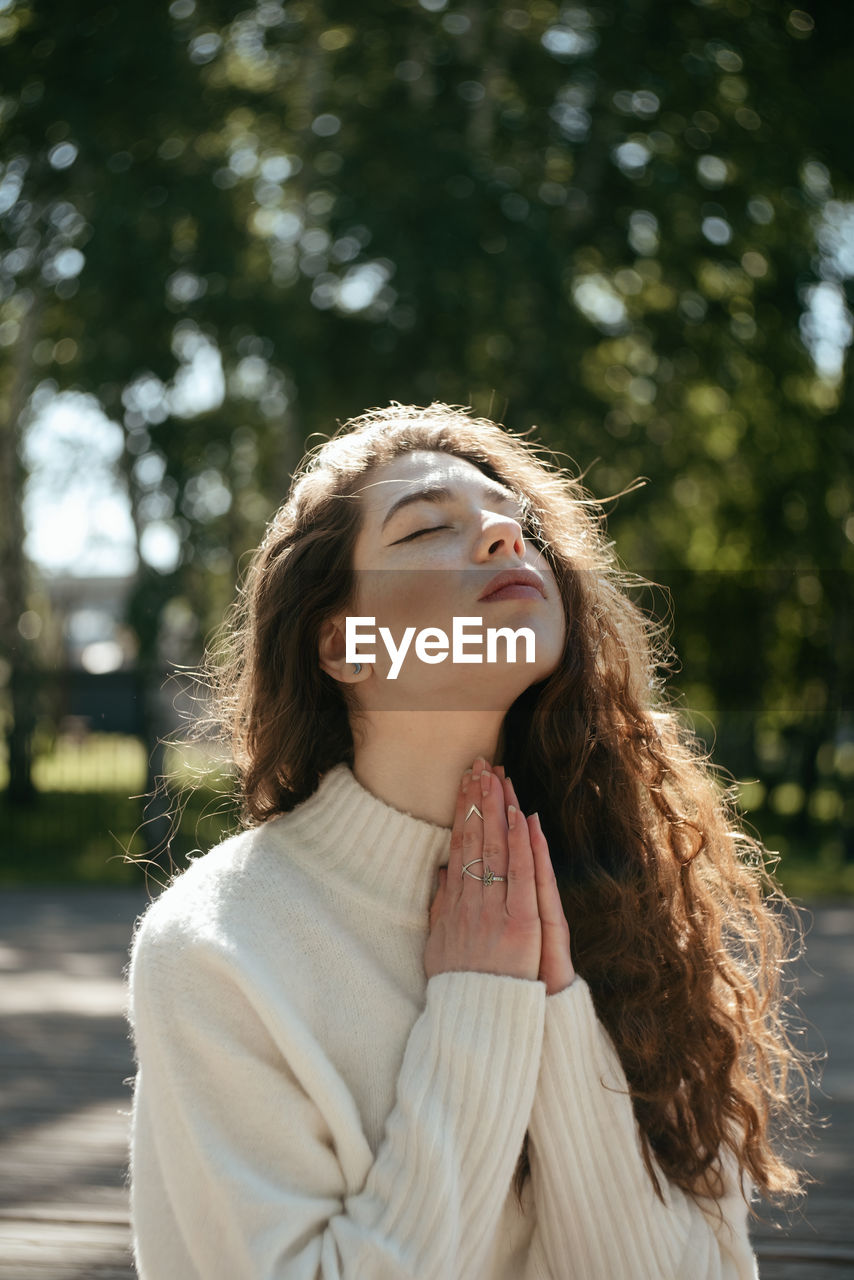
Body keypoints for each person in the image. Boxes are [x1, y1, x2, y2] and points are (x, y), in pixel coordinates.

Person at [125, 402, 808, 1279]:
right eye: (425, 531)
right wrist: (481, 1009)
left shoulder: (628, 893)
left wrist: (556, 1008)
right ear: (344, 644)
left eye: (515, 522)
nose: (503, 539)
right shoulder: (219, 948)